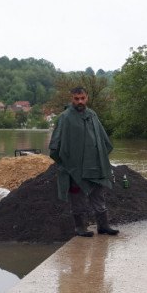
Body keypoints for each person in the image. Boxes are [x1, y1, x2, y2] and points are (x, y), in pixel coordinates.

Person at [48, 86, 119, 237]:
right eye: (76, 99)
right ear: (72, 98)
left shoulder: (92, 115)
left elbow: (102, 140)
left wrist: (101, 159)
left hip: (95, 166)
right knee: (78, 198)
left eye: (82, 98)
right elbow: (55, 146)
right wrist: (66, 164)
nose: (80, 101)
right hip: (75, 168)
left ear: (87, 98)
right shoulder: (65, 117)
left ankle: (103, 226)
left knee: (99, 196)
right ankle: (80, 228)